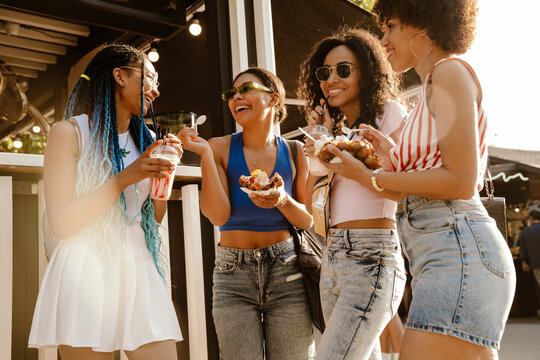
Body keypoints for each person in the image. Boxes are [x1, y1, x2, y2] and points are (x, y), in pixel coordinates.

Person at [324, 1, 516, 359]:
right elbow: (409, 185)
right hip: (444, 257)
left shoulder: (449, 72)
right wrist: (389, 156)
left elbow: (460, 180)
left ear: (423, 24)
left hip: (458, 253)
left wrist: (371, 175)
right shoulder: (429, 89)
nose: (383, 39)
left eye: (391, 26)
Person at [29, 44, 183, 360]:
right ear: (120, 76)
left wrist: (163, 178)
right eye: (150, 77)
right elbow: (61, 222)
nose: (156, 89)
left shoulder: (148, 140)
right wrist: (124, 177)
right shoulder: (69, 133)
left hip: (139, 264)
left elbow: (152, 220)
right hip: (85, 267)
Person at [179, 67, 314, 359]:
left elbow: (306, 220)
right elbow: (218, 216)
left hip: (287, 272)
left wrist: (281, 199)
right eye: (231, 93)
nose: (236, 96)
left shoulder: (295, 151)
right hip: (232, 275)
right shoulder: (217, 148)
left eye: (246, 88)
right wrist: (203, 155)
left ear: (274, 99)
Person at [298, 28, 407, 360]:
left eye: (343, 70)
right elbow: (310, 205)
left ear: (368, 73)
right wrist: (319, 152)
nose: (332, 78)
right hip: (332, 257)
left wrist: (351, 161)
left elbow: (403, 187)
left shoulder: (388, 114)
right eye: (324, 72)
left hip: (371, 256)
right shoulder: (333, 129)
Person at [519, 209, 540, 289]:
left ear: (531, 218)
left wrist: (524, 263)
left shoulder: (526, 231)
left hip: (536, 263)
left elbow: (523, 249)